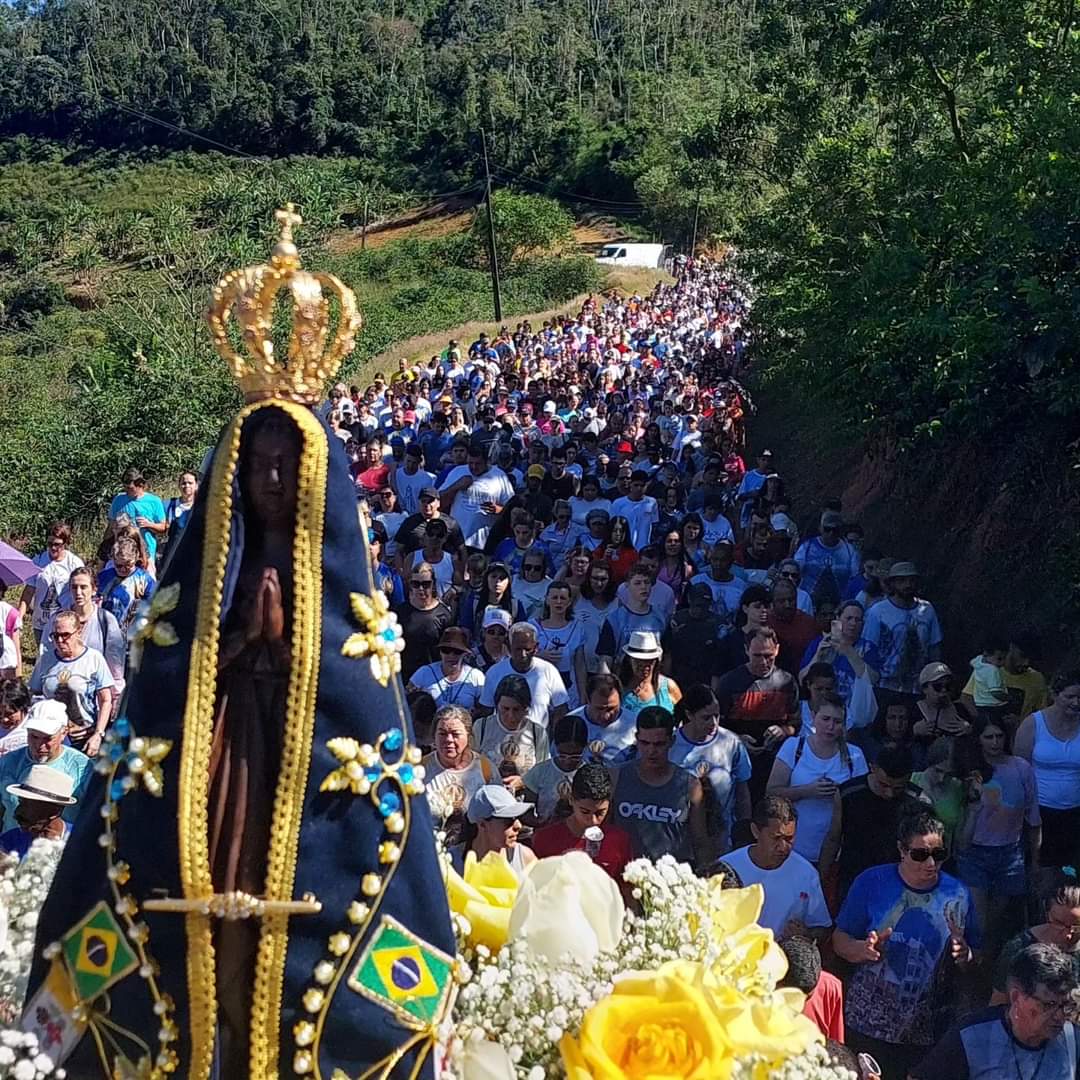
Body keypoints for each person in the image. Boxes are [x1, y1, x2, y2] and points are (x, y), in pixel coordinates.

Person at [833, 811, 979, 1079]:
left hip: (926, 1028)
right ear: (902, 850)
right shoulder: (872, 882)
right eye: (920, 854)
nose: (931, 863)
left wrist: (966, 955)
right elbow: (839, 940)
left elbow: (977, 955)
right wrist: (861, 951)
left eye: (939, 854)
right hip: (868, 1024)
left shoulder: (958, 893)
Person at [912, 943, 1080, 1080]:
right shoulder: (971, 1037)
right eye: (1049, 1004)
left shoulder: (1073, 1041)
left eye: (1064, 1004)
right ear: (1016, 998)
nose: (1059, 1016)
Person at [953, 715, 1040, 959]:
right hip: (975, 853)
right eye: (988, 736)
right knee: (978, 919)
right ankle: (971, 966)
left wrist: (1034, 858)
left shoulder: (1021, 767)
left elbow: (1033, 815)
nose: (995, 742)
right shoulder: (970, 771)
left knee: (996, 917)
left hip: (1010, 853)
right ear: (979, 739)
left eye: (999, 736)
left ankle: (984, 964)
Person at [767, 692, 869, 866]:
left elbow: (864, 801)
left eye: (837, 722)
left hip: (836, 850)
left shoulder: (855, 755)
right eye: (825, 719)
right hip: (793, 848)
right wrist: (808, 791)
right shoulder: (793, 747)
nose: (830, 726)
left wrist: (840, 793)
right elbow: (771, 793)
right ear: (813, 717)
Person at [610, 706, 710, 867]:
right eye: (645, 743)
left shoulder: (690, 785)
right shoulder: (617, 777)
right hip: (624, 876)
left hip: (671, 880)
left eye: (658, 744)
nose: (651, 751)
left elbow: (700, 841)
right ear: (636, 739)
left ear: (671, 741)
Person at [723, 796, 832, 940]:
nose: (783, 847)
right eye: (776, 838)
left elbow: (821, 928)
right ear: (755, 831)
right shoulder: (727, 868)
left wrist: (804, 934)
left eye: (789, 839)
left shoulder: (806, 873)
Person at [714, 627, 799, 800]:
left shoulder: (787, 682)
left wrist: (784, 731)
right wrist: (737, 739)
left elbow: (796, 722)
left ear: (777, 650)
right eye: (757, 656)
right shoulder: (729, 683)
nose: (763, 662)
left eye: (768, 656)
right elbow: (715, 726)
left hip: (776, 765)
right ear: (746, 650)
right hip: (736, 762)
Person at [833, 743, 930, 894]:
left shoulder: (918, 801)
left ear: (910, 776)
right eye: (883, 784)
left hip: (899, 883)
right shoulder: (848, 793)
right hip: (853, 878)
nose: (890, 793)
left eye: (898, 787)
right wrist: (823, 877)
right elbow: (833, 838)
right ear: (873, 768)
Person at [671, 684, 751, 855]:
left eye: (717, 716)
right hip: (679, 838)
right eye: (706, 717)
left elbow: (742, 792)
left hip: (721, 837)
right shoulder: (671, 744)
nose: (713, 723)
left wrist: (744, 830)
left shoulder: (731, 742)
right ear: (689, 715)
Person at [1014, 669, 1080, 871]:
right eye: (1070, 697)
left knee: (1070, 873)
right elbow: (1019, 770)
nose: (1076, 703)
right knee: (1041, 869)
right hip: (1039, 811)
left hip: (1075, 812)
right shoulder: (1033, 724)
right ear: (1054, 694)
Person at [28, 610, 114, 756]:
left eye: (65, 635)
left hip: (83, 739)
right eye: (56, 636)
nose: (60, 640)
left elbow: (106, 700)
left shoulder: (94, 659)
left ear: (78, 632)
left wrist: (98, 734)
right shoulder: (45, 660)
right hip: (51, 740)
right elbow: (33, 694)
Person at [532, 761, 634, 884]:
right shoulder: (545, 839)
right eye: (585, 812)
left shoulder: (619, 840)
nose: (593, 821)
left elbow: (627, 888)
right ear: (571, 800)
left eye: (600, 813)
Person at [992, 868, 1080, 1007]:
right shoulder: (1018, 950)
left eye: (1076, 927)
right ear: (1047, 913)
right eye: (1058, 923)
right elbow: (998, 1003)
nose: (1068, 934)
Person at [0, 700, 91, 825]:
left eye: (48, 738)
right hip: (12, 840)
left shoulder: (82, 767)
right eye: (34, 737)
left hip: (62, 841)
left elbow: (91, 814)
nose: (40, 745)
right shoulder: (8, 762)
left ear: (64, 733)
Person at [862, 562, 943, 697]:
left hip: (919, 685)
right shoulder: (878, 611)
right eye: (901, 580)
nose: (907, 585)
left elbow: (934, 647)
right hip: (885, 683)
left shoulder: (927, 610)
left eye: (911, 580)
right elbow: (869, 648)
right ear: (892, 583)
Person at [477, 623, 568, 740]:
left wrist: (554, 740)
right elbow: (486, 711)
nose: (523, 654)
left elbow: (561, 709)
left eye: (527, 649)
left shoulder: (548, 671)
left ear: (536, 648)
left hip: (537, 742)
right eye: (518, 649)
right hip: (501, 742)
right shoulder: (494, 673)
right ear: (509, 648)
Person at [800, 599, 880, 732]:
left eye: (857, 620)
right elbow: (802, 679)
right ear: (838, 619)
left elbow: (873, 679)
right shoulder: (819, 643)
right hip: (822, 714)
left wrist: (849, 651)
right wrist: (818, 657)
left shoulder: (868, 648)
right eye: (848, 618)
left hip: (854, 719)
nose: (853, 623)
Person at [46, 566, 126, 696]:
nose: (78, 592)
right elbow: (45, 653)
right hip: (59, 690)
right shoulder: (57, 620)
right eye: (74, 587)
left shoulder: (106, 620)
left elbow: (116, 664)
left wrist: (114, 696)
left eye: (83, 587)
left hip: (95, 697)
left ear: (94, 590)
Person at [422, 705, 497, 822]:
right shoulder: (420, 769)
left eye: (455, 734)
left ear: (468, 736)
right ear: (434, 736)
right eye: (442, 734)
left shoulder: (485, 769)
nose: (449, 739)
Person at [450, 784, 537, 880]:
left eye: (517, 818)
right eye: (508, 820)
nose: (518, 826)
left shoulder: (525, 858)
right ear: (482, 824)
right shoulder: (450, 863)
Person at [18, 522, 84, 647]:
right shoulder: (38, 561)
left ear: (65, 543)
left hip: (65, 623)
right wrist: (19, 617)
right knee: (44, 658)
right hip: (41, 622)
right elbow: (28, 591)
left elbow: (81, 592)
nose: (53, 548)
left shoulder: (75, 564)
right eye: (50, 544)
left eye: (57, 544)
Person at [439, 445, 515, 549]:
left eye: (478, 463)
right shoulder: (457, 472)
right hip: (456, 539)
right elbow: (438, 501)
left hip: (484, 541)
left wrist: (498, 509)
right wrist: (456, 486)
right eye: (470, 463)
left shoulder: (499, 476)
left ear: (487, 461)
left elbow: (512, 507)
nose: (474, 467)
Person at [393, 561, 456, 681]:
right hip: (405, 677)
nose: (421, 589)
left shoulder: (444, 615)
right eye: (416, 584)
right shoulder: (399, 613)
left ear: (433, 585)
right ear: (410, 585)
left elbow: (449, 651)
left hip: (433, 679)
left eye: (426, 584)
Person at [522, 713, 587, 824]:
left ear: (585, 747)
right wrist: (537, 822)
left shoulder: (589, 774)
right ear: (555, 746)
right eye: (562, 755)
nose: (568, 761)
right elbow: (526, 810)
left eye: (575, 756)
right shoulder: (540, 772)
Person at [531, 580, 587, 708]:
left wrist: (583, 695)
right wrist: (540, 655)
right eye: (554, 597)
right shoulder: (533, 626)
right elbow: (522, 654)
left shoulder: (577, 627)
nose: (558, 602)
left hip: (568, 690)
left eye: (563, 598)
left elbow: (580, 664)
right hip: (539, 689)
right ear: (547, 600)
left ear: (569, 602)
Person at [0, 763, 77, 857]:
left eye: (28, 805)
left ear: (55, 811)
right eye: (20, 802)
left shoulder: (79, 840)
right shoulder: (9, 841)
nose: (17, 812)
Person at [596, 566, 668, 665]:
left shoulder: (661, 616)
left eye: (646, 582)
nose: (643, 587)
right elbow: (605, 658)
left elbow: (667, 654)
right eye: (637, 583)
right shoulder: (614, 619)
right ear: (627, 585)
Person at [663, 581, 726, 691]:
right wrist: (667, 681)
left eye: (705, 605)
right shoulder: (677, 620)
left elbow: (721, 659)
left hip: (706, 680)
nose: (701, 609)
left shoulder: (718, 624)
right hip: (679, 678)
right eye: (698, 605)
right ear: (689, 600)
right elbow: (667, 652)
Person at [405, 626, 486, 712]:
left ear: (465, 654)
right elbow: (406, 700)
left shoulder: (476, 676)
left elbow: (484, 708)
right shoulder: (424, 672)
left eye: (457, 652)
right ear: (440, 652)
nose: (451, 656)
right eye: (446, 650)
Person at [779, 936, 844, 1042]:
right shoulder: (749, 990)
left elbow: (836, 1047)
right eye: (794, 999)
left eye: (808, 997)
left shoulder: (831, 987)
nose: (800, 1006)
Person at [794, 510, 861, 607]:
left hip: (839, 604)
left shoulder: (850, 551)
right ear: (820, 528)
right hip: (808, 602)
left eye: (835, 530)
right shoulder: (807, 547)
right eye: (827, 529)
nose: (831, 533)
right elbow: (795, 570)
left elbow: (854, 577)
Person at [108, 467, 167, 570]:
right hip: (122, 553)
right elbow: (111, 526)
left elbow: (163, 528)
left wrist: (149, 524)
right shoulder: (118, 499)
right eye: (125, 487)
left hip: (146, 552)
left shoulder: (154, 501)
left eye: (130, 488)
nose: (126, 491)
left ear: (140, 485)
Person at [569, 672, 635, 763]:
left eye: (612, 708)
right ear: (588, 700)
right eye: (599, 709)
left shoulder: (634, 724)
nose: (606, 716)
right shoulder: (570, 724)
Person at [618, 631, 682, 720]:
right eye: (638, 660)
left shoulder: (669, 686)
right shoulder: (618, 688)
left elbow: (682, 716)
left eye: (649, 660)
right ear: (629, 660)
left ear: (656, 661)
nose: (644, 665)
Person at [97, 536, 156, 630]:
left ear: (136, 558)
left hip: (132, 629)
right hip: (103, 627)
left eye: (129, 564)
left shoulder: (145, 580)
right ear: (113, 560)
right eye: (119, 565)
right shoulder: (103, 577)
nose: (123, 569)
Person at [771, 577, 820, 678]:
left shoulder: (809, 623)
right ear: (772, 602)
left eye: (791, 600)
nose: (787, 605)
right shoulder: (764, 622)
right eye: (782, 601)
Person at [161, 469, 199, 563]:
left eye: (190, 483)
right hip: (171, 558)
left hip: (194, 558)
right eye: (184, 483)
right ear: (179, 485)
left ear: (196, 485)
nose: (187, 486)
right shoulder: (167, 505)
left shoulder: (202, 507)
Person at [0, 679, 31, 756]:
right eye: (0, 713)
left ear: (24, 708)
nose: (4, 719)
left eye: (10, 714)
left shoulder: (34, 731)